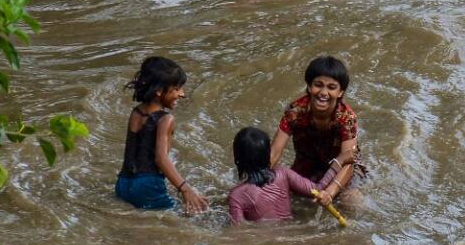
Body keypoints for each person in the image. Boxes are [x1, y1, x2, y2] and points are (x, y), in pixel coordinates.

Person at [115, 56, 208, 214]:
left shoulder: (136, 112)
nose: (182, 94)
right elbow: (161, 159)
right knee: (194, 215)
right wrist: (185, 189)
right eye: (177, 89)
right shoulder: (166, 119)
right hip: (147, 186)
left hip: (123, 184)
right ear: (159, 90)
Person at [270, 55, 366, 206]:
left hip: (342, 170)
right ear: (309, 86)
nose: (323, 92)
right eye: (318, 85)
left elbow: (348, 161)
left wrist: (331, 192)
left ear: (341, 92)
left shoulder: (347, 118)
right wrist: (257, 179)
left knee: (352, 202)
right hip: (307, 164)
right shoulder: (295, 112)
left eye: (331, 87)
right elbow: (275, 152)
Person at [229, 127, 353, 224]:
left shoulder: (237, 195)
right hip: (291, 230)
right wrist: (338, 162)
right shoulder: (282, 173)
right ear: (268, 155)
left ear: (237, 159)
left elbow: (239, 231)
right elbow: (318, 189)